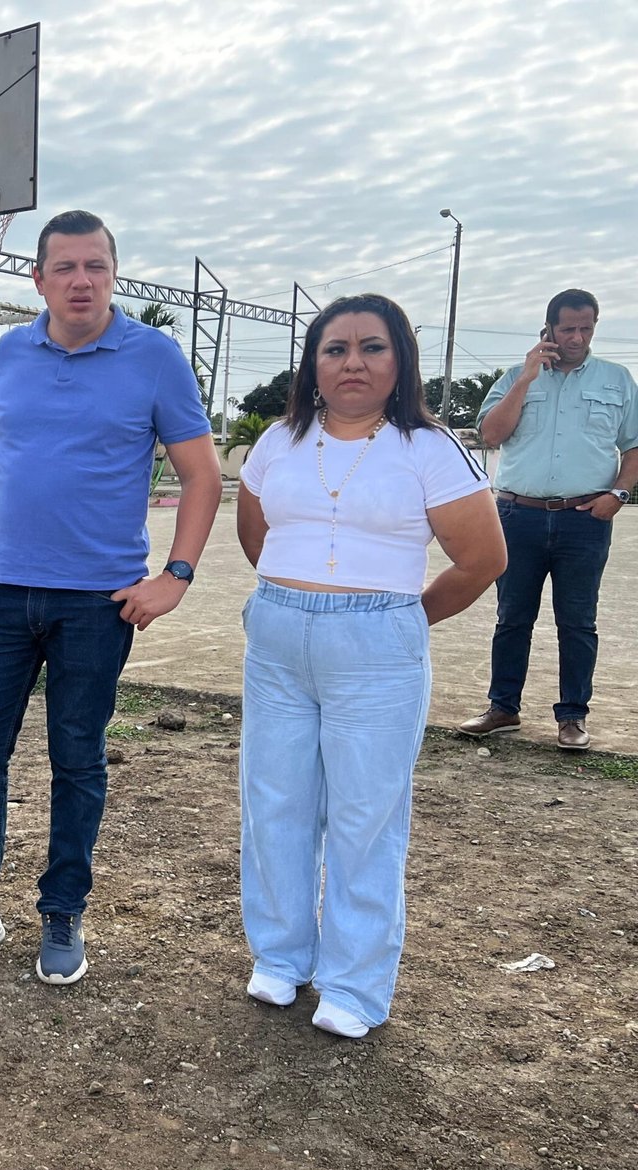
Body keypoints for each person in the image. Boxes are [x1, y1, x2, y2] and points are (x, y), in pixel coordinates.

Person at [0, 210, 223, 985]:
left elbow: (202, 476)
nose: (82, 281)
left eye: (96, 267)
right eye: (66, 267)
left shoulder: (154, 359)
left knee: (76, 759)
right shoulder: (9, 354)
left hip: (97, 604)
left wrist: (173, 577)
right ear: (38, 278)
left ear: (114, 274)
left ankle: (63, 912)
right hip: (3, 594)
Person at [236, 294, 505, 1039]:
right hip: (280, 642)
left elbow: (483, 559)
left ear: (400, 360)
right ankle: (282, 957)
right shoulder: (278, 443)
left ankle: (353, 983)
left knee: (365, 816)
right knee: (275, 801)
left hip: (378, 648)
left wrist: (396, 618)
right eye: (335, 348)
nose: (353, 362)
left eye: (372, 347)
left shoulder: (428, 449)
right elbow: (257, 537)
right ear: (313, 364)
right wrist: (303, 600)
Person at [457, 290, 638, 750]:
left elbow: (634, 445)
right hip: (519, 516)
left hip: (585, 519)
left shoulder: (616, 380)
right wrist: (527, 378)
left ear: (594, 326)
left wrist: (617, 495)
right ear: (549, 329)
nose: (577, 337)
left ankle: (573, 716)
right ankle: (502, 708)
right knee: (512, 616)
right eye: (567, 328)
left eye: (586, 328)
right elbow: (491, 434)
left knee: (578, 621)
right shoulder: (517, 376)